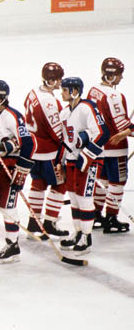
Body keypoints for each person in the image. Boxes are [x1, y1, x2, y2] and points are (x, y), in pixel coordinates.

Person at [0, 80, 35, 263]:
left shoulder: (13, 116)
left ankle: (12, 245)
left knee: (7, 206)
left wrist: (22, 170)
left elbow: (28, 142)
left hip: (9, 166)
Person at [58, 77, 109, 255]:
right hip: (72, 161)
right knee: (73, 198)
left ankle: (86, 237)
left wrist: (87, 155)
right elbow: (64, 142)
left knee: (84, 198)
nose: (62, 93)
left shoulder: (88, 107)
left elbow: (103, 133)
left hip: (90, 161)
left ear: (75, 90)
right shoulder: (64, 113)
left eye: (65, 90)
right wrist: (60, 161)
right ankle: (78, 231)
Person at [86, 58, 132, 233]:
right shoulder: (114, 96)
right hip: (115, 147)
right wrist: (131, 130)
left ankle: (96, 215)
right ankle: (112, 218)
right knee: (117, 182)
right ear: (112, 76)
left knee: (103, 181)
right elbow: (121, 124)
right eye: (119, 75)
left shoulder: (94, 91)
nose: (121, 79)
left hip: (100, 148)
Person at [23, 63, 69, 238]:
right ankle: (50, 222)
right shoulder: (49, 101)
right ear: (52, 80)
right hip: (49, 152)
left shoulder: (33, 92)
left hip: (33, 149)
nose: (61, 82)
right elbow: (57, 132)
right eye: (59, 79)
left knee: (38, 183)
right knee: (60, 183)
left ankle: (33, 223)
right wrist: (70, 145)